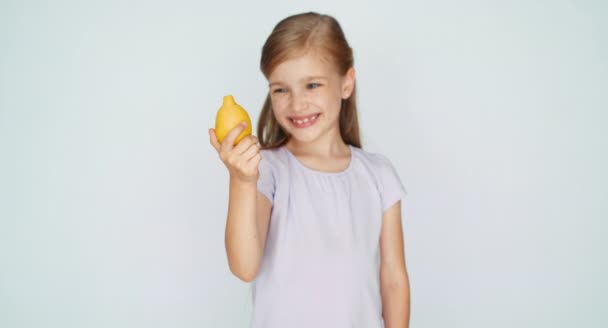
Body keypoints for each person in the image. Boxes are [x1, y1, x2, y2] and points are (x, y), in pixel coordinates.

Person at [209, 12, 410, 328]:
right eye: (280, 89)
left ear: (346, 83)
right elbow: (244, 267)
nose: (296, 104)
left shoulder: (379, 175)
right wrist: (241, 181)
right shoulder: (268, 170)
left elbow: (394, 279)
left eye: (312, 85)